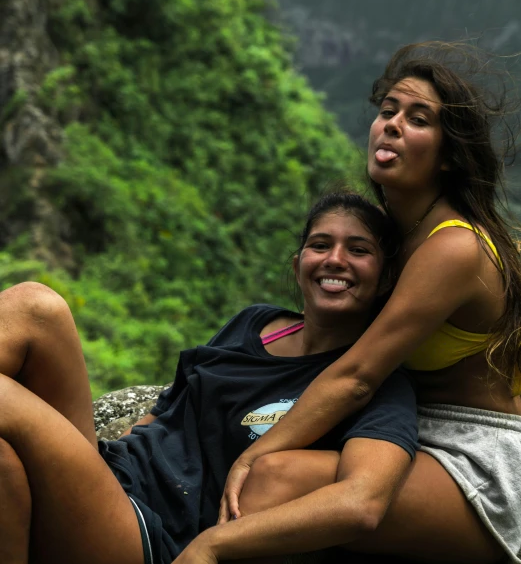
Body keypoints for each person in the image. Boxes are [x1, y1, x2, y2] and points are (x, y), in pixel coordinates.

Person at [214, 41, 521, 564]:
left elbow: (358, 375)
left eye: (418, 118)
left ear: (449, 156)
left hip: (478, 455)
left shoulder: (453, 245)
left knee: (271, 480)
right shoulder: (399, 237)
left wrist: (257, 451)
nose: (393, 125)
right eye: (388, 112)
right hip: (401, 432)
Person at [0, 191, 418, 564]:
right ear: (297, 265)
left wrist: (214, 544)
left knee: (35, 306)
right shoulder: (254, 322)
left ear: (385, 280)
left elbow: (363, 501)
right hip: (106, 474)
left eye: (358, 250)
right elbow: (170, 407)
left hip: (151, 531)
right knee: (34, 326)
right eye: (320, 245)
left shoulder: (377, 384)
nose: (334, 259)